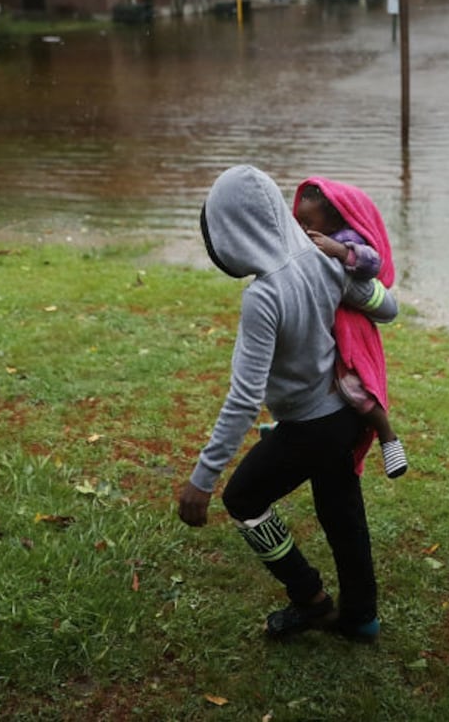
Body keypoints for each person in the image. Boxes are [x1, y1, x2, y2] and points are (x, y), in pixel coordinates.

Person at [178, 164, 399, 641]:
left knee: (243, 499)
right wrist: (351, 267)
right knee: (342, 513)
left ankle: (310, 598)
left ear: (230, 232)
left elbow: (244, 398)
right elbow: (387, 307)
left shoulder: (264, 295)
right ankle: (361, 617)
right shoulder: (321, 260)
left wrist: (203, 478)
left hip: (311, 426)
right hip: (345, 415)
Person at [293, 178, 407, 478]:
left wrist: (340, 251)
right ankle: (287, 431)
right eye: (299, 221)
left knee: (354, 388)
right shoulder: (309, 243)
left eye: (309, 222)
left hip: (351, 326)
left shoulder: (347, 237)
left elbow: (371, 263)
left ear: (332, 219)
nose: (304, 229)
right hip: (327, 327)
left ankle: (387, 436)